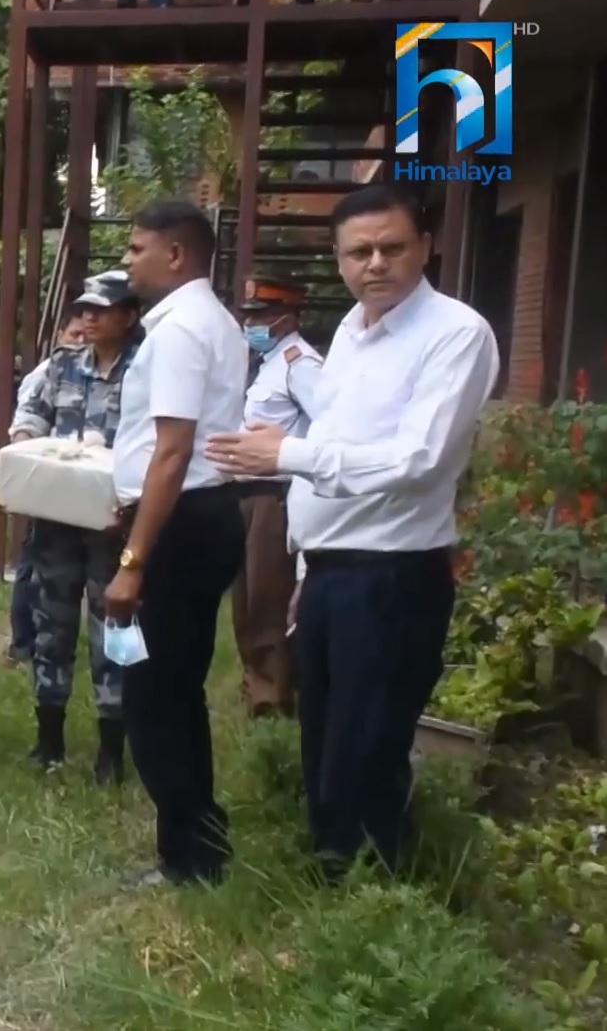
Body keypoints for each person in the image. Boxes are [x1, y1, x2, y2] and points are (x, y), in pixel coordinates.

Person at [208, 185, 498, 882]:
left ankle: (370, 907)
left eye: (390, 247)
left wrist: (286, 455)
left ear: (424, 245)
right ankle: (330, 879)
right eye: (358, 251)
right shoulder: (350, 330)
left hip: (392, 575)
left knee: (366, 747)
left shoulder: (454, 333)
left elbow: (415, 460)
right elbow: (340, 438)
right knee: (325, 745)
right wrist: (308, 574)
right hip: (332, 571)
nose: (375, 264)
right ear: (337, 261)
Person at [106, 200, 249, 890]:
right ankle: (196, 847)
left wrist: (133, 560)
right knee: (175, 691)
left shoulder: (181, 329)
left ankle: (187, 857)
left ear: (175, 255)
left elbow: (172, 451)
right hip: (194, 516)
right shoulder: (205, 321)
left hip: (180, 525)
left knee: (152, 696)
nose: (126, 260)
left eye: (136, 248)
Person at [9, 271, 145, 784]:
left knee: (119, 632)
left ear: (128, 316)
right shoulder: (62, 365)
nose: (88, 317)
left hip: (118, 525)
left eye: (100, 309)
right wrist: (28, 444)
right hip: (57, 521)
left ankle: (114, 748)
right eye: (84, 308)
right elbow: (30, 416)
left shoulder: (147, 369)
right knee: (51, 627)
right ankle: (49, 740)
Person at [228, 276, 322, 720]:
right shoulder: (266, 362)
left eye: (260, 317)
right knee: (246, 598)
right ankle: (257, 687)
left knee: (268, 597)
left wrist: (286, 442)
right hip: (248, 490)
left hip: (277, 494)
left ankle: (275, 696)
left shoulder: (300, 363)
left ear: (286, 319)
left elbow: (332, 425)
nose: (252, 324)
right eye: (248, 317)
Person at [7, 313, 90, 663]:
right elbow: (25, 425)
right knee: (37, 577)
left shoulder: (132, 371)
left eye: (88, 335)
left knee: (116, 596)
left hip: (109, 503)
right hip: (55, 497)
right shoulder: (47, 374)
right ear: (60, 334)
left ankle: (121, 672)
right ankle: (27, 648)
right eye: (75, 333)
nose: (81, 342)